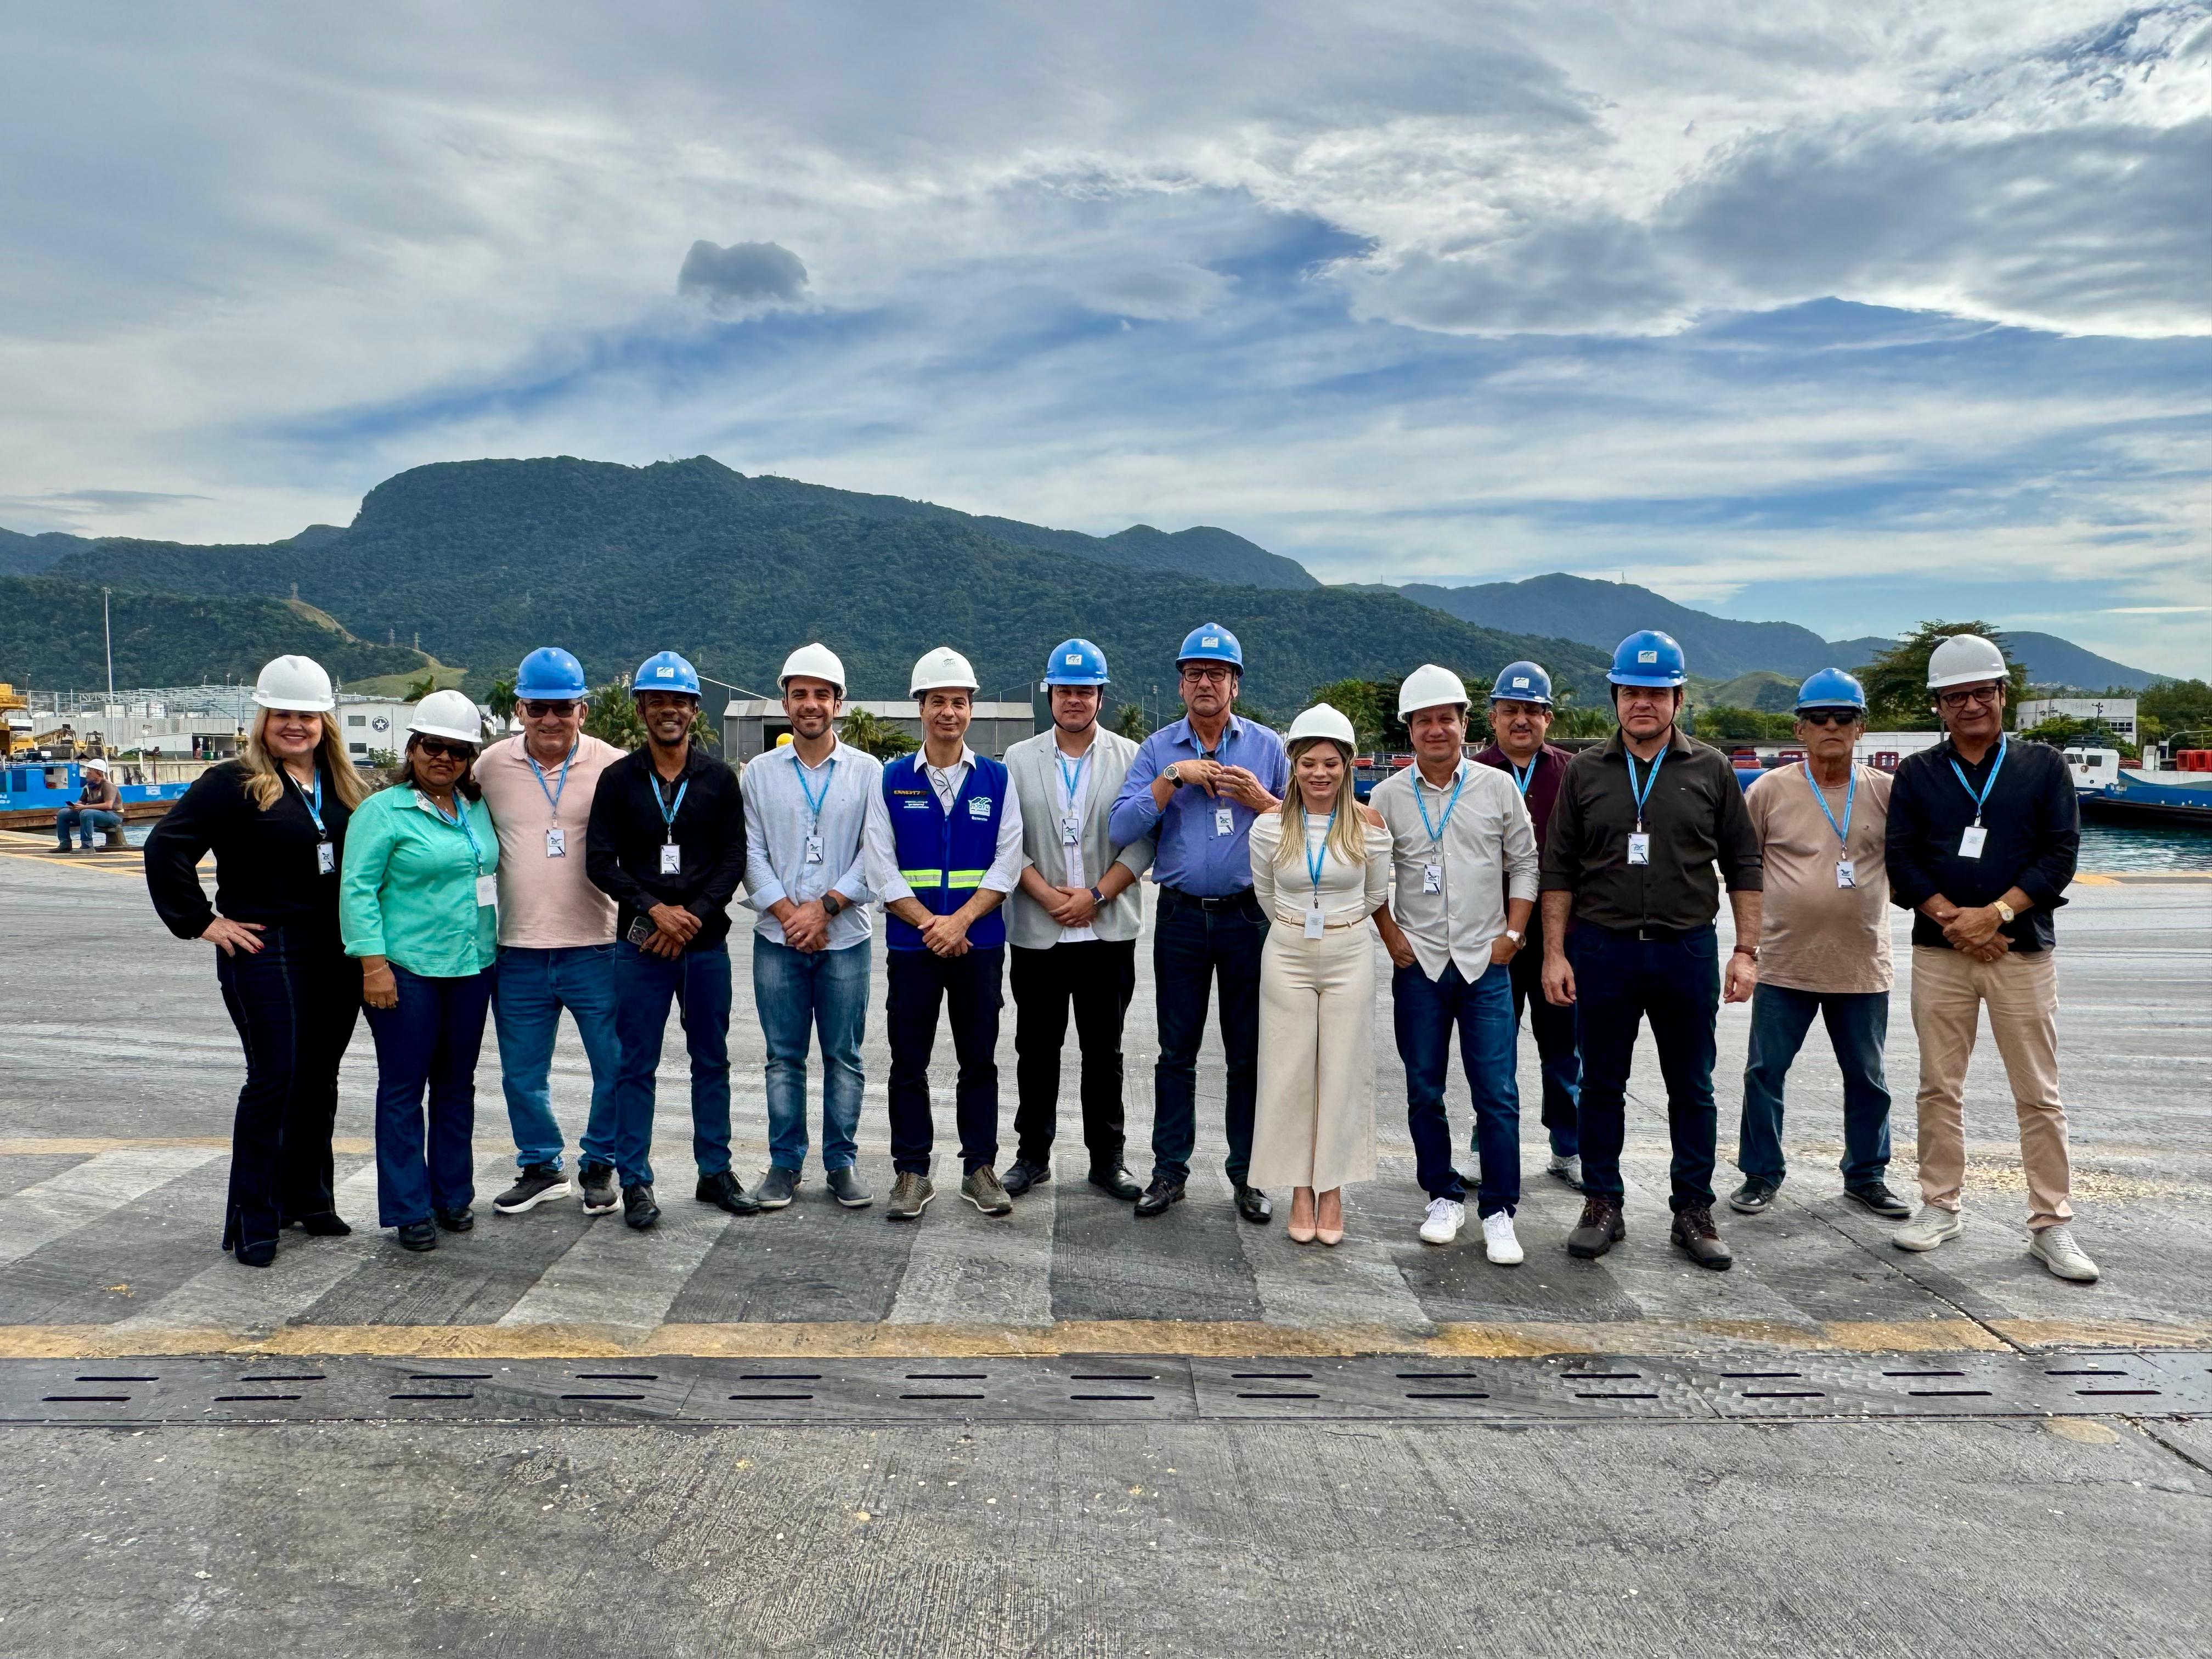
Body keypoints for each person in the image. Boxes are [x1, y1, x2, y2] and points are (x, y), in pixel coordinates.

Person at [1539, 630, 1763, 1270]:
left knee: (1692, 1088)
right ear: (1615, 697)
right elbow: (1558, 869)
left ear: (1678, 700)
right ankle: (1602, 1203)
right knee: (1600, 1084)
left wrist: (1746, 950)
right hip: (1603, 950)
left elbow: (1744, 864)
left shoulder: (1711, 769)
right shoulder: (1585, 771)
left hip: (1684, 951)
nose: (1643, 703)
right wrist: (1555, 953)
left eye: (1657, 693)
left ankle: (1693, 1210)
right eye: (1632, 692)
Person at [1884, 633, 2096, 1282]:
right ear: (1939, 706)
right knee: (1938, 1087)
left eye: (1982, 692)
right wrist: (1958, 923)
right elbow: (1902, 861)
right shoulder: (1918, 774)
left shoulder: (2043, 766)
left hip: (2021, 951)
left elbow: (2059, 856)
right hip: (1942, 951)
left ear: (2003, 694)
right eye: (1956, 697)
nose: (1971, 705)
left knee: (2038, 1093)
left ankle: (2051, 1223)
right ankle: (1939, 1205)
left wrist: (1997, 914)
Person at [144, 654, 369, 1266]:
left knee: (318, 1078)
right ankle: (254, 1216)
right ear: (263, 719)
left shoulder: (346, 786)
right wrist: (202, 921)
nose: (295, 725)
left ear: (325, 722)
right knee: (275, 1078)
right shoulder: (233, 782)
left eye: (307, 715)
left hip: (334, 950)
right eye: (282, 714)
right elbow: (166, 847)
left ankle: (308, 1197)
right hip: (267, 949)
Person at [1108, 623, 1289, 1221]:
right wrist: (1173, 779)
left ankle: (1249, 1175)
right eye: (1194, 674)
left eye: (1217, 673)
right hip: (1182, 918)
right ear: (1181, 686)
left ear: (1236, 684)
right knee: (1176, 1052)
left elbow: (1305, 824)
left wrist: (1262, 801)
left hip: (1248, 917)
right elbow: (1121, 827)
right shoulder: (1159, 749)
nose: (1205, 683)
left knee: (1248, 1053)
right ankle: (1169, 1172)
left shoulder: (1268, 747)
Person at [1729, 670, 1910, 1221]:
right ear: (1799, 730)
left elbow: (1908, 868)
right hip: (1785, 963)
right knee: (1765, 1072)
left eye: (1843, 718)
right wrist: (1745, 949)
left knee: (1868, 1078)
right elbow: (1744, 870)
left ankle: (1867, 1175)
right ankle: (1761, 1174)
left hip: (1861, 965)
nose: (1831, 726)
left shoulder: (1885, 792)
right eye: (1819, 718)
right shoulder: (1768, 790)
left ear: (1861, 728)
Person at [1373, 665, 1538, 1261]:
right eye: (1424, 721)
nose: (1436, 729)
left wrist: (1513, 935)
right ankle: (1442, 1195)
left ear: (1466, 725)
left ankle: (1499, 1210)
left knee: (1497, 1094)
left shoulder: (1496, 788)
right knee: (1424, 1089)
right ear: (1410, 730)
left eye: (1447, 718)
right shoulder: (1388, 797)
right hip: (1419, 965)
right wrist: (1391, 936)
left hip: (1484, 965)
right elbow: (1369, 875)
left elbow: (1526, 863)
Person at [585, 650, 752, 1231]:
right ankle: (635, 1179)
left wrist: (692, 917)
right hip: (641, 946)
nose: (668, 711)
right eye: (657, 701)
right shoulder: (618, 781)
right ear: (641, 710)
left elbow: (734, 859)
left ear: (694, 710)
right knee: (635, 1065)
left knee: (712, 1060)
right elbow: (600, 862)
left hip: (704, 946)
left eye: (679, 701)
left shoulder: (719, 780)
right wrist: (656, 911)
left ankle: (715, 1172)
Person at [862, 646, 1024, 1221]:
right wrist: (931, 924)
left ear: (971, 709)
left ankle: (979, 1168)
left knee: (979, 1060)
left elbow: (1008, 863)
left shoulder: (997, 780)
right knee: (909, 1062)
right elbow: (880, 867)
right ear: (921, 708)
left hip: (978, 945)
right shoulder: (891, 780)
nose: (948, 712)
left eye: (958, 702)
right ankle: (912, 1171)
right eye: (938, 701)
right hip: (914, 947)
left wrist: (960, 922)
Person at [339, 690, 500, 1253]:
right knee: (404, 1089)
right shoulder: (383, 811)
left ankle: (452, 1194)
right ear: (413, 748)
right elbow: (357, 889)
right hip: (406, 969)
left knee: (456, 1086)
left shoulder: (476, 808)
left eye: (458, 751)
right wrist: (372, 965)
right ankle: (409, 1207)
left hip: (471, 966)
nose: (444, 758)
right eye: (434, 746)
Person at [474, 647, 629, 1218]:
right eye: (537, 708)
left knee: (614, 1067)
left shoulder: (614, 765)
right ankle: (540, 1166)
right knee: (522, 1075)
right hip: (518, 950)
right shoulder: (489, 766)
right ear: (519, 709)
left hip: (597, 946)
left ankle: (600, 1164)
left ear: (582, 711)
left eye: (562, 708)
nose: (549, 719)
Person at [1002, 639, 1153, 1201]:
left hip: (1105, 932)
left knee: (1104, 1053)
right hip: (1038, 931)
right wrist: (1046, 896)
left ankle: (1107, 1160)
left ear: (1101, 697)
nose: (1074, 700)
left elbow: (1145, 839)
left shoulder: (1132, 757)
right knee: (1036, 1051)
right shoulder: (1019, 760)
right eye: (1065, 690)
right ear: (1050, 695)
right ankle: (1032, 1157)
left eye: (1085, 691)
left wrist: (1095, 896)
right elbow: (1006, 841)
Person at [741, 643, 881, 1212]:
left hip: (845, 939)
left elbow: (876, 854)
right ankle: (785, 1164)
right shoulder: (759, 774)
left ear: (838, 704)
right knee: (783, 1057)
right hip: (778, 942)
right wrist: (788, 914)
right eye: (800, 694)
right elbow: (749, 853)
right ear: (785, 702)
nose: (811, 704)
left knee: (844, 1056)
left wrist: (824, 909)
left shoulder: (868, 772)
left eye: (822, 694)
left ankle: (841, 1163)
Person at [1249, 705, 1392, 1244]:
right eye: (1309, 763)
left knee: (1341, 1071)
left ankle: (1331, 1188)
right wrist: (1297, 927)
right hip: (1287, 952)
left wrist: (1335, 925)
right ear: (1294, 765)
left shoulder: (1369, 825)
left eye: (1331, 763)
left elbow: (1374, 893)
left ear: (1348, 765)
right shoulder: (1268, 828)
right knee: (1288, 1072)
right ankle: (1299, 1188)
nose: (1320, 774)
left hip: (1348, 952)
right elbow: (1266, 894)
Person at [1473, 660, 1584, 1189]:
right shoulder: (1471, 773)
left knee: (1562, 1050)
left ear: (1548, 718)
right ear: (1493, 717)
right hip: (1491, 934)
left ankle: (1568, 1147)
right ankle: (1487, 1149)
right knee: (1493, 1051)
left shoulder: (1574, 773)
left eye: (1532, 711)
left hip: (1558, 937)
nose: (1521, 720)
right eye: (1510, 710)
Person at [56, 757, 122, 851]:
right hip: (95, 813)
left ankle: (87, 846)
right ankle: (65, 844)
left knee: (86, 813)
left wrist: (84, 807)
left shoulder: (108, 785)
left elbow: (108, 805)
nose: (86, 773)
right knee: (63, 813)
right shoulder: (88, 786)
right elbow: (82, 801)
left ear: (98, 773)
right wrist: (75, 806)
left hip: (113, 815)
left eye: (90, 771)